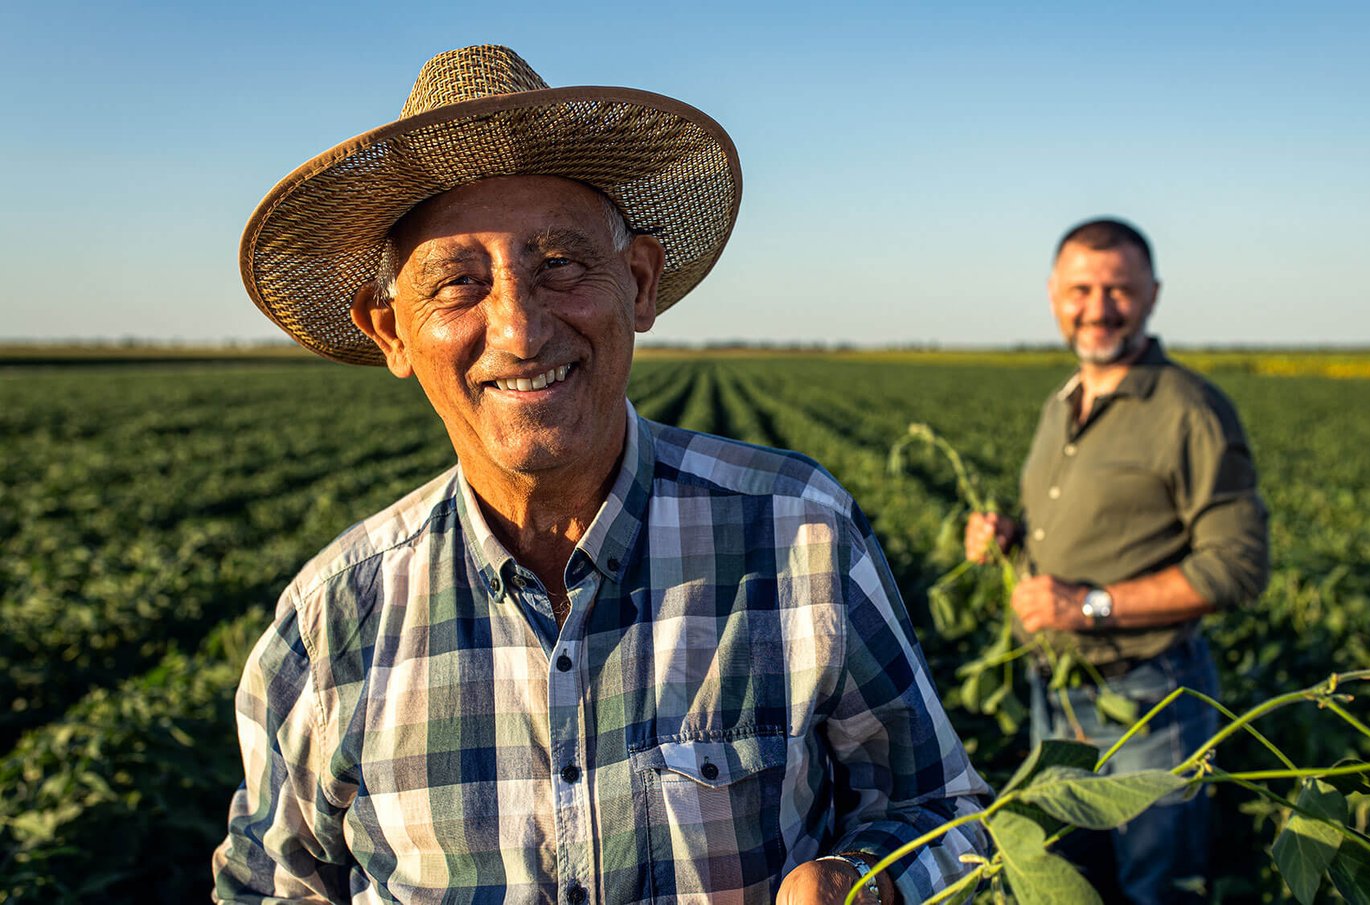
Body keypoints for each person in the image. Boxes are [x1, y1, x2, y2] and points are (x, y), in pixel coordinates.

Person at [214, 45, 989, 905]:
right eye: (458, 284)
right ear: (389, 331)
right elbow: (268, 885)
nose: (518, 328)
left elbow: (939, 809)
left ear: (640, 282)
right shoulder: (333, 620)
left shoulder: (798, 531)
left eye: (560, 264)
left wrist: (870, 884)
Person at [965, 219, 1270, 904]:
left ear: (1153, 294)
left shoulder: (1190, 410)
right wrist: (1009, 537)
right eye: (1081, 289)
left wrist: (1087, 605)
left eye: (1119, 289)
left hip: (1149, 702)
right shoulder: (1064, 401)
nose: (1098, 307)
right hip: (1058, 696)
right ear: (1052, 294)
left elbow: (1239, 566)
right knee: (1073, 883)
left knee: (1155, 890)